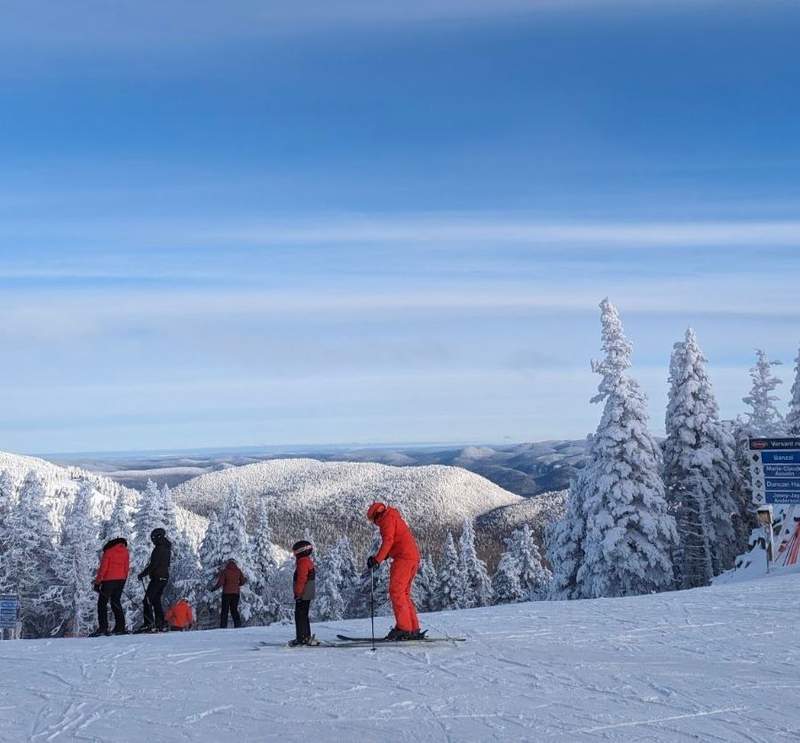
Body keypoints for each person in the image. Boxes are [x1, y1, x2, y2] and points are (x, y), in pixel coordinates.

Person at [366, 502, 423, 640]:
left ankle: (404, 629)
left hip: (403, 559)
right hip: (412, 558)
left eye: (373, 521)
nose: (375, 524)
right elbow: (396, 541)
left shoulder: (386, 520)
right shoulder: (393, 517)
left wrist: (377, 560)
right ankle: (413, 628)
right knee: (404, 593)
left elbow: (389, 541)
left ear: (376, 516)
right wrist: (383, 556)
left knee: (396, 592)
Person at [90, 536, 130, 637]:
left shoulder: (108, 552)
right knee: (116, 602)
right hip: (121, 580)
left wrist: (98, 582)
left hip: (108, 581)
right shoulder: (125, 552)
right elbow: (126, 567)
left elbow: (103, 568)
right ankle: (120, 627)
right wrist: (123, 579)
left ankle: (103, 628)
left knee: (102, 604)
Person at [136, 527, 172, 632]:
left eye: (153, 538)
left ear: (157, 537)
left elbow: (153, 565)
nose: (152, 540)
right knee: (156, 600)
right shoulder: (166, 547)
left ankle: (149, 623)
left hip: (157, 578)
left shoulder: (159, 548)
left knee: (147, 600)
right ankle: (161, 623)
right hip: (164, 578)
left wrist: (143, 574)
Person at [289, 540, 318, 646]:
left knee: (300, 615)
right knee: (303, 615)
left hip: (304, 593)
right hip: (307, 592)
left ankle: (302, 638)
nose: (294, 554)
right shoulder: (307, 560)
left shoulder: (303, 562)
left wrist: (298, 593)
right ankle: (305, 636)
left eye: (295, 552)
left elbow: (301, 579)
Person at [214, 559, 246, 628]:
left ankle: (223, 626)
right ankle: (238, 625)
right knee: (234, 610)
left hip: (226, 594)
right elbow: (243, 581)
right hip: (236, 594)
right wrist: (237, 585)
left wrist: (214, 588)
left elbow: (220, 582)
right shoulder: (238, 571)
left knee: (224, 610)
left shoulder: (225, 571)